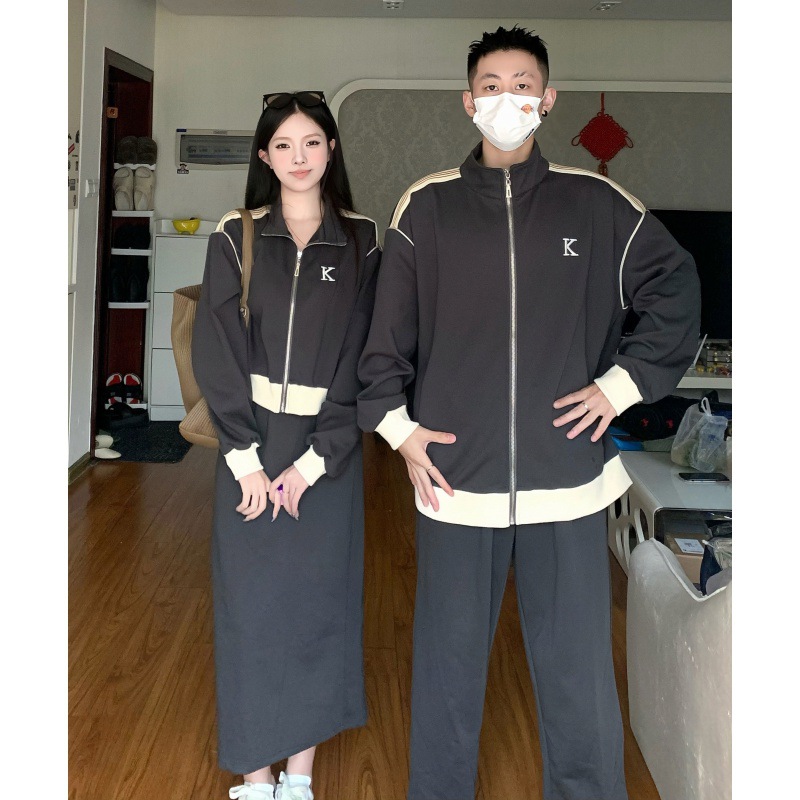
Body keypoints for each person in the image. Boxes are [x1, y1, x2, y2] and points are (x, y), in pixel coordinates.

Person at [357, 26, 700, 800]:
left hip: (568, 478)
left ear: (547, 100)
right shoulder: (427, 207)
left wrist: (620, 386)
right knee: (446, 672)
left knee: (578, 676)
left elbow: (676, 289)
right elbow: (385, 340)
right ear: (467, 101)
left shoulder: (596, 202)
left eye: (521, 85)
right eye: (490, 85)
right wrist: (399, 431)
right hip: (454, 480)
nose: (505, 98)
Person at [193, 90, 380, 800]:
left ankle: (298, 776)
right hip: (249, 445)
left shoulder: (362, 241)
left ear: (332, 149)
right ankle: (254, 772)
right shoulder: (235, 234)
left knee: (316, 609)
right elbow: (218, 349)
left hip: (326, 453)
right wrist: (244, 457)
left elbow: (364, 357)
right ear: (264, 157)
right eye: (283, 145)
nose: (298, 157)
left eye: (311, 143)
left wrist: (316, 459)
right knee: (249, 609)